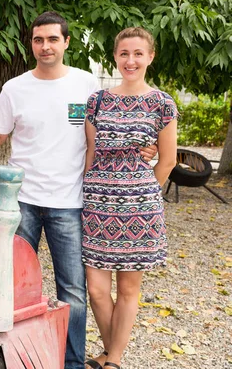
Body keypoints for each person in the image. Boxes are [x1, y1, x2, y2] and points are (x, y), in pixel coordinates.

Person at [0, 12, 157, 369]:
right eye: (39, 40)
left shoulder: (87, 85)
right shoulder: (15, 88)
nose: (45, 46)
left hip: (70, 203)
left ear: (66, 42)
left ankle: (71, 362)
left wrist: (145, 150)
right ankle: (8, 354)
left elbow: (109, 134)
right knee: (10, 282)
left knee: (72, 289)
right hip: (21, 202)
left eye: (53, 39)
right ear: (32, 44)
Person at [82, 28, 178, 369]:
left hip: (139, 207)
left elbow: (168, 160)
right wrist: (89, 192)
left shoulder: (161, 102)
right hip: (97, 205)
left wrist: (141, 193)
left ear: (150, 57)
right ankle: (114, 353)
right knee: (95, 289)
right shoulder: (98, 101)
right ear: (115, 57)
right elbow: (91, 153)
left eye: (138, 53)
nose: (131, 60)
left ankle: (113, 360)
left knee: (127, 290)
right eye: (124, 53)